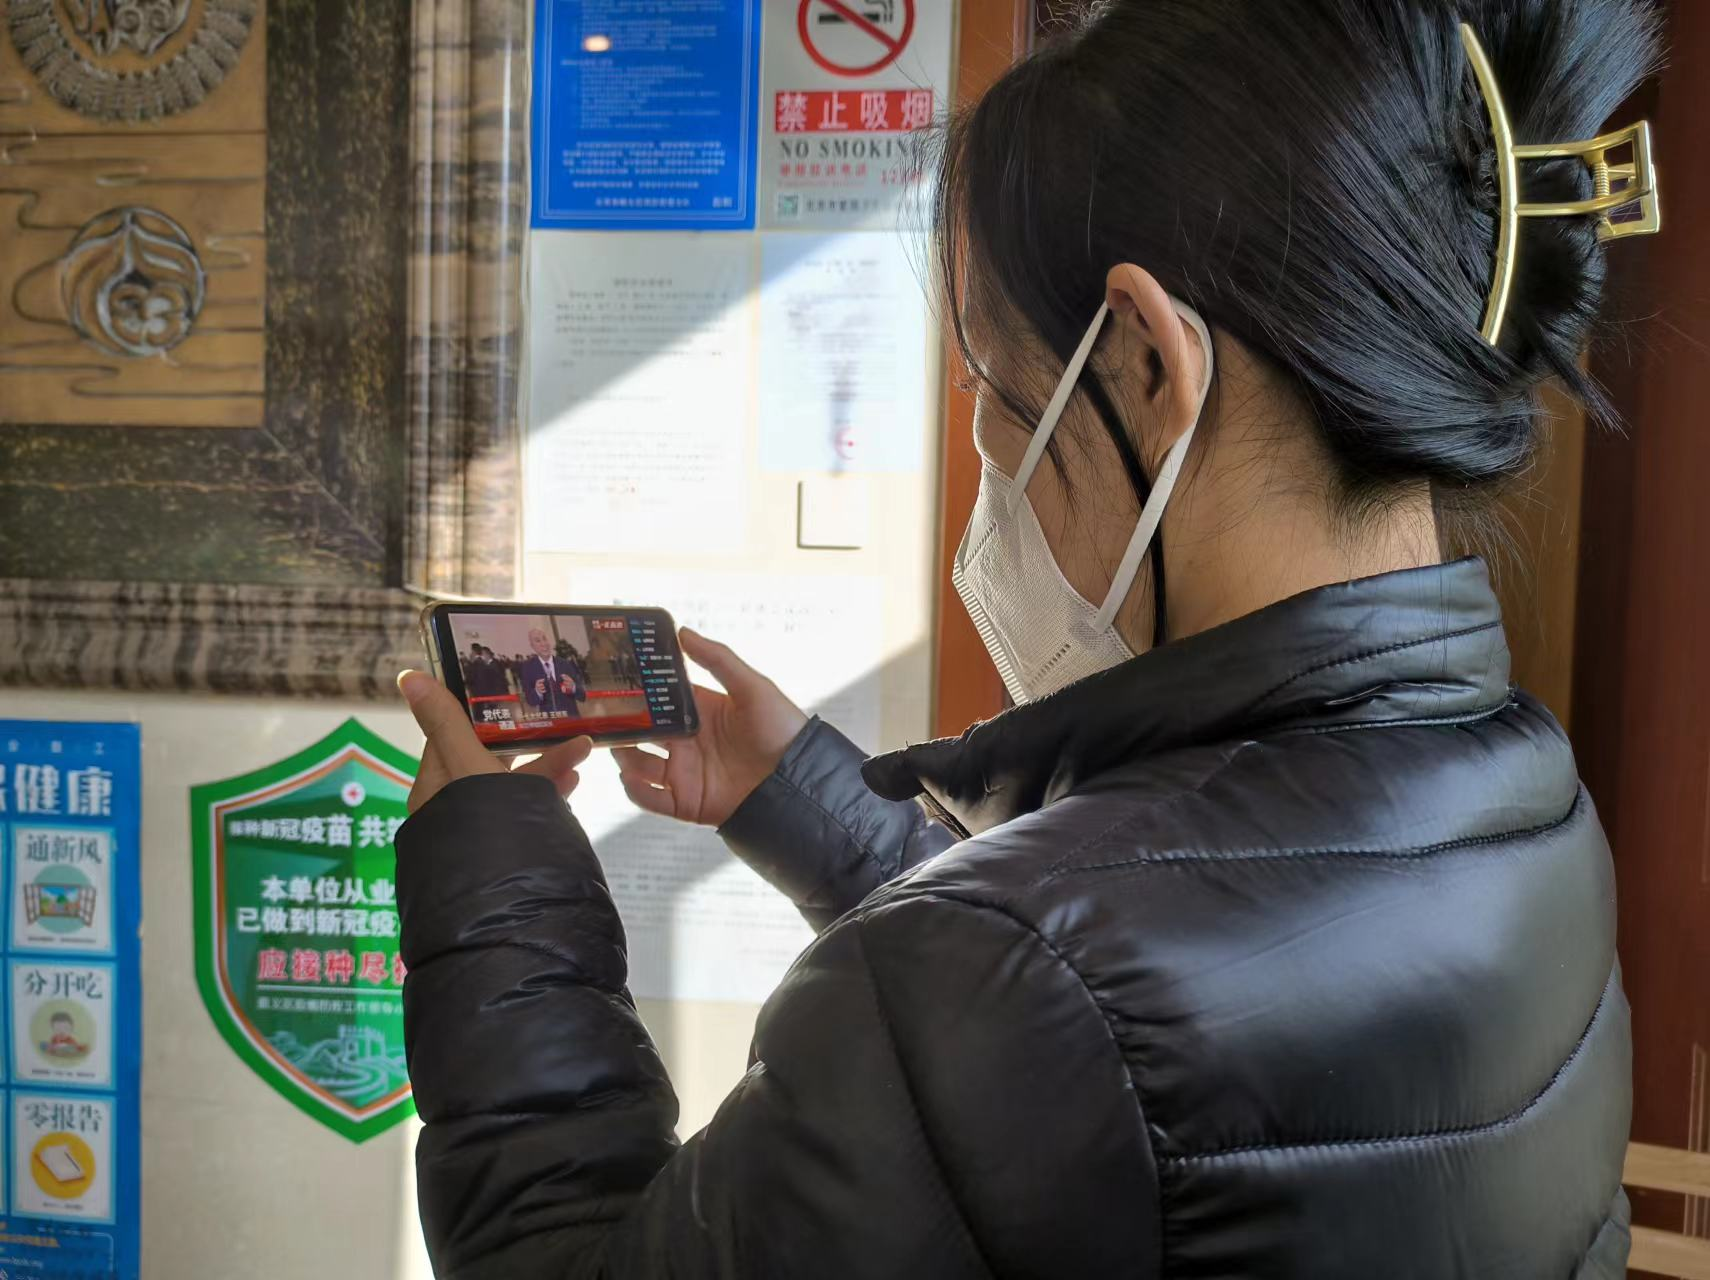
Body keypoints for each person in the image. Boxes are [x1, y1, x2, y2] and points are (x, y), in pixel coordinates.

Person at [392, 1, 1655, 1274]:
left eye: (996, 390)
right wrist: (812, 806)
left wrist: (496, 884)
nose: (993, 458)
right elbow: (1104, 1053)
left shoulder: (1007, 979)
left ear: (1148, 362)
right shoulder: (1528, 800)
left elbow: (1063, 1020)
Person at [516, 627, 579, 718]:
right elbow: (531, 701)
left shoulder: (564, 664)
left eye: (544, 639)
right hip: (548, 720)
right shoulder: (528, 668)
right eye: (538, 641)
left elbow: (582, 695)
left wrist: (573, 687)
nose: (543, 644)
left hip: (571, 718)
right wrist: (537, 692)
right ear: (532, 646)